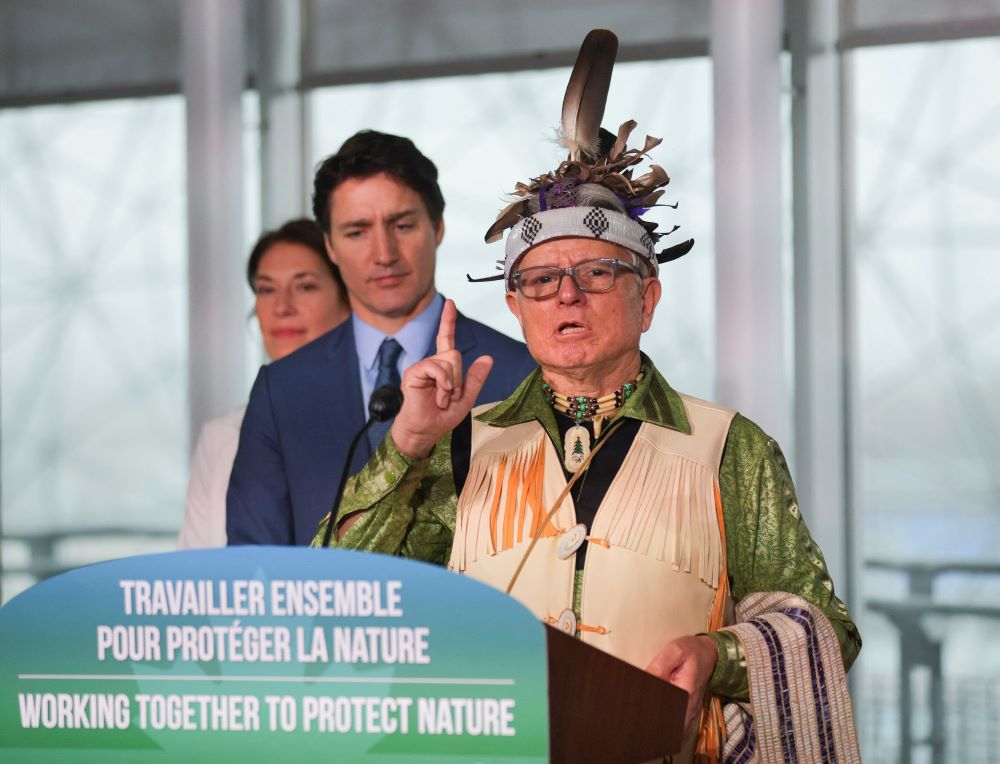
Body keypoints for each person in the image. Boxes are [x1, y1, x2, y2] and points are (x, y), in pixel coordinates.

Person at [315, 32, 862, 763]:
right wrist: (410, 444)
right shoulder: (462, 447)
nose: (567, 295)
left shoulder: (729, 446)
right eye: (541, 279)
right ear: (515, 306)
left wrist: (717, 654)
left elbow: (823, 627)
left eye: (599, 273)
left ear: (650, 297)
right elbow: (341, 590)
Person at [226, 130, 536, 546]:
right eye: (357, 232)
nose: (384, 253)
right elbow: (254, 565)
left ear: (437, 227)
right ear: (330, 247)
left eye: (402, 225)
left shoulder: (519, 370)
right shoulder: (280, 390)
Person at [178, 219, 350, 548]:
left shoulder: (383, 424)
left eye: (305, 286)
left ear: (348, 302)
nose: (282, 307)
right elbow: (196, 577)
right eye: (266, 289)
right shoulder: (220, 439)